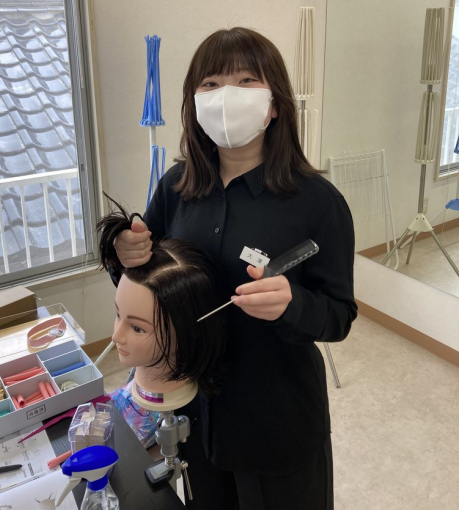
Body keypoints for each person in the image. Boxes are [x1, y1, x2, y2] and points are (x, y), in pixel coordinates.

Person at [113, 27, 356, 510]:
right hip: (193, 407)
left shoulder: (318, 203)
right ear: (194, 102)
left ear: (275, 104)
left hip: (278, 416)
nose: (227, 96)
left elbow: (339, 316)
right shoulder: (176, 186)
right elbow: (148, 287)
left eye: (246, 81)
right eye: (211, 84)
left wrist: (293, 304)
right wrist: (126, 254)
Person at [97, 197, 227, 446]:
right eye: (118, 315)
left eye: (137, 328)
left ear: (187, 329)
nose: (116, 337)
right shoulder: (175, 186)